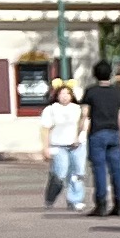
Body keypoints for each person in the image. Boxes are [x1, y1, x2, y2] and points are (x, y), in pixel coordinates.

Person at [78, 61, 120, 218]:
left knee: (99, 169)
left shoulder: (91, 92)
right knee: (117, 170)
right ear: (110, 74)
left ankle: (101, 204)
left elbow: (85, 114)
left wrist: (79, 132)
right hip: (114, 132)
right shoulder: (117, 92)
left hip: (97, 132)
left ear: (95, 74)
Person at [39, 83, 86, 211]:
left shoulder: (78, 109)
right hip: (58, 145)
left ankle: (75, 200)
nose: (65, 96)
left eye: (67, 94)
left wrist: (78, 138)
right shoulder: (51, 109)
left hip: (77, 145)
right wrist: (45, 147)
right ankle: (50, 197)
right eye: (62, 94)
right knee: (60, 173)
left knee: (77, 173)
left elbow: (84, 124)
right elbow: (45, 129)